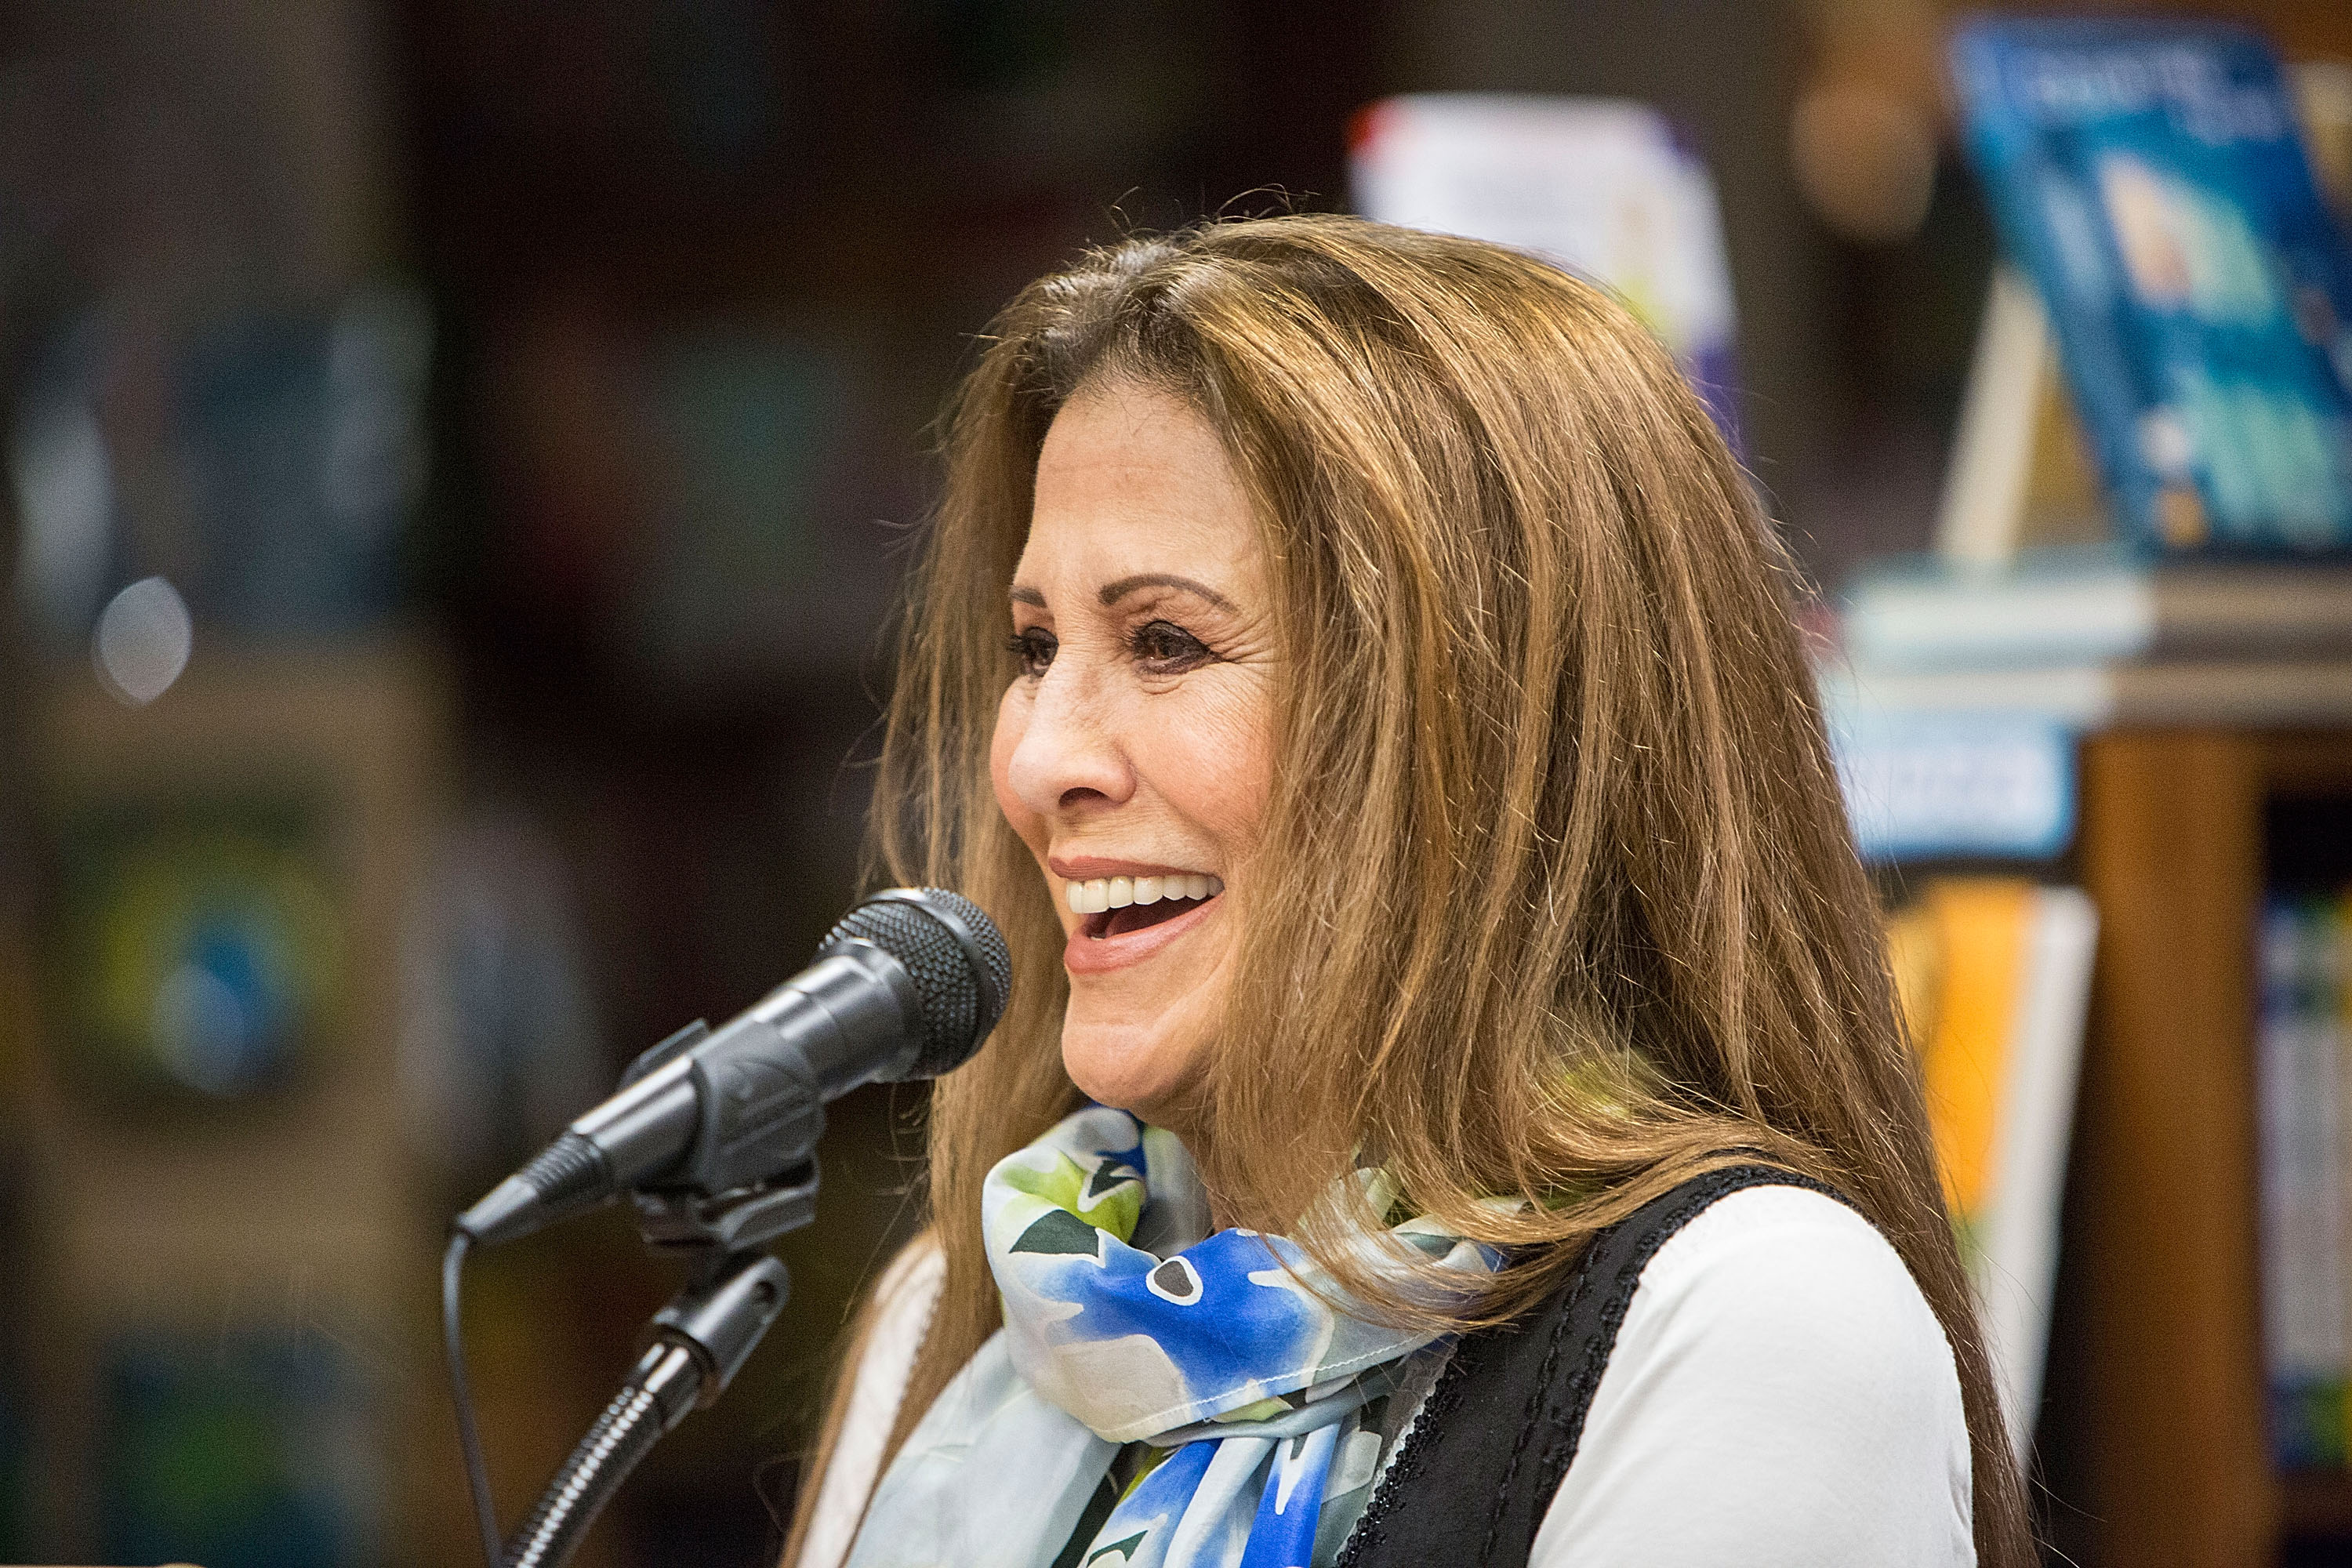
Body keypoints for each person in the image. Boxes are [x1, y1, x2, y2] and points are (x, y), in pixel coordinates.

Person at [780, 215, 2031, 1568]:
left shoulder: (1752, 1318)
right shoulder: (967, 1315)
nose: (1036, 761)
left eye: (1165, 641)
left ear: (1495, 730)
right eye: (1036, 646)